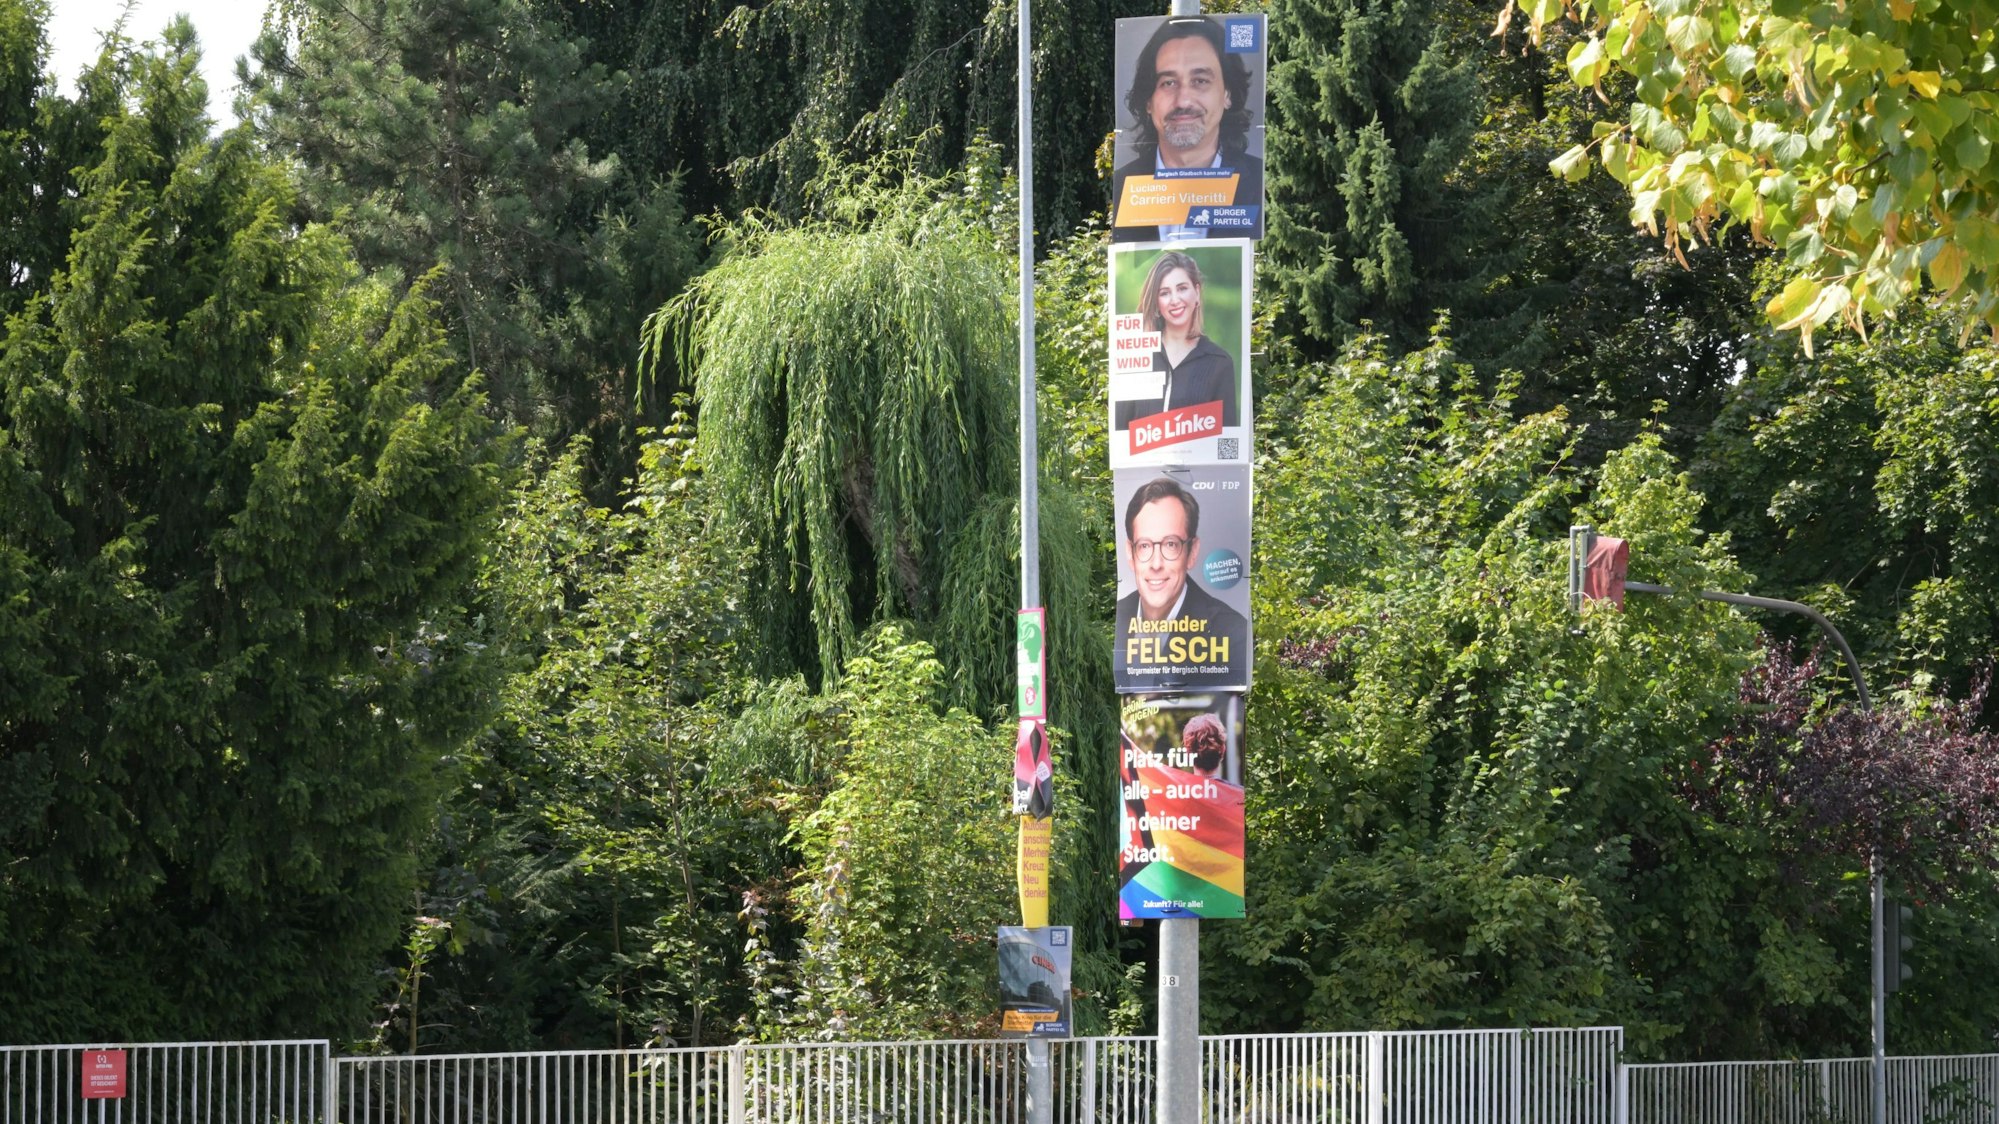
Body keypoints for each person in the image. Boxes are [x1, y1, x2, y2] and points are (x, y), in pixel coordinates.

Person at [1111, 17, 1264, 242]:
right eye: (1168, 83)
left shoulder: (1260, 181)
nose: (1183, 100)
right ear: (1148, 102)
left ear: (1227, 95)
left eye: (1200, 81)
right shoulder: (1125, 184)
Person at [1113, 477, 1250, 691]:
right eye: (1145, 546)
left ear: (1192, 552)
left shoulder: (1231, 631)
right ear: (1130, 553)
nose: (1156, 564)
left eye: (1170, 544)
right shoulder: (1118, 617)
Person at [1113, 250, 1239, 434]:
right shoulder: (1136, 357)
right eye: (1164, 293)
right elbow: (1120, 433)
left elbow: (1228, 438)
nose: (1174, 300)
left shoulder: (1220, 362)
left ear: (1196, 292)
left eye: (1182, 288)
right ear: (1156, 302)